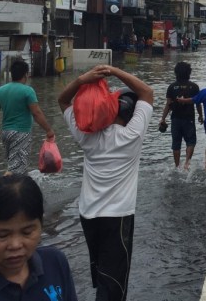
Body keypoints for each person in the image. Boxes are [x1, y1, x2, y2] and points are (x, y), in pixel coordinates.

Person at [58, 65, 154, 301]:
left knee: (103, 273)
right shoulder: (131, 137)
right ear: (130, 114)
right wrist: (115, 71)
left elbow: (62, 100)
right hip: (117, 217)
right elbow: (147, 93)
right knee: (114, 284)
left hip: (88, 214)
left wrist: (83, 79)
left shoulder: (87, 137)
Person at [0, 59, 55, 175]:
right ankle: (3, 190)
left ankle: (14, 188)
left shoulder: (0, 90)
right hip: (21, 133)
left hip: (6, 133)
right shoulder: (28, 91)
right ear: (26, 75)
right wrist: (49, 130)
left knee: (14, 166)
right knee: (16, 171)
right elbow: (36, 113)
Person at [159, 61, 201, 170]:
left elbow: (168, 104)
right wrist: (201, 116)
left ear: (176, 73)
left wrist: (163, 119)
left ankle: (177, 166)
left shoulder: (172, 87)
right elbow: (198, 103)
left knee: (176, 143)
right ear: (189, 72)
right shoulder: (194, 87)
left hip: (175, 119)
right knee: (191, 142)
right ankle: (187, 164)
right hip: (189, 119)